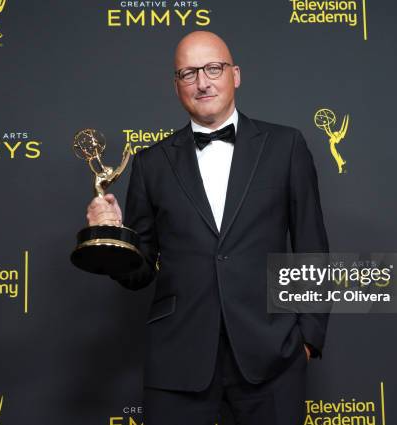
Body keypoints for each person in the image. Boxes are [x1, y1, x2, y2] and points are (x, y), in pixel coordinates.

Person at [86, 31, 329, 425]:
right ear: (176, 85)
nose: (203, 82)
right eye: (188, 73)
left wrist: (308, 340)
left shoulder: (286, 146)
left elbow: (311, 246)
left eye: (213, 68)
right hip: (177, 360)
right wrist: (113, 238)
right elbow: (140, 271)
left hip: (272, 356)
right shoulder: (150, 164)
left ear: (235, 75)